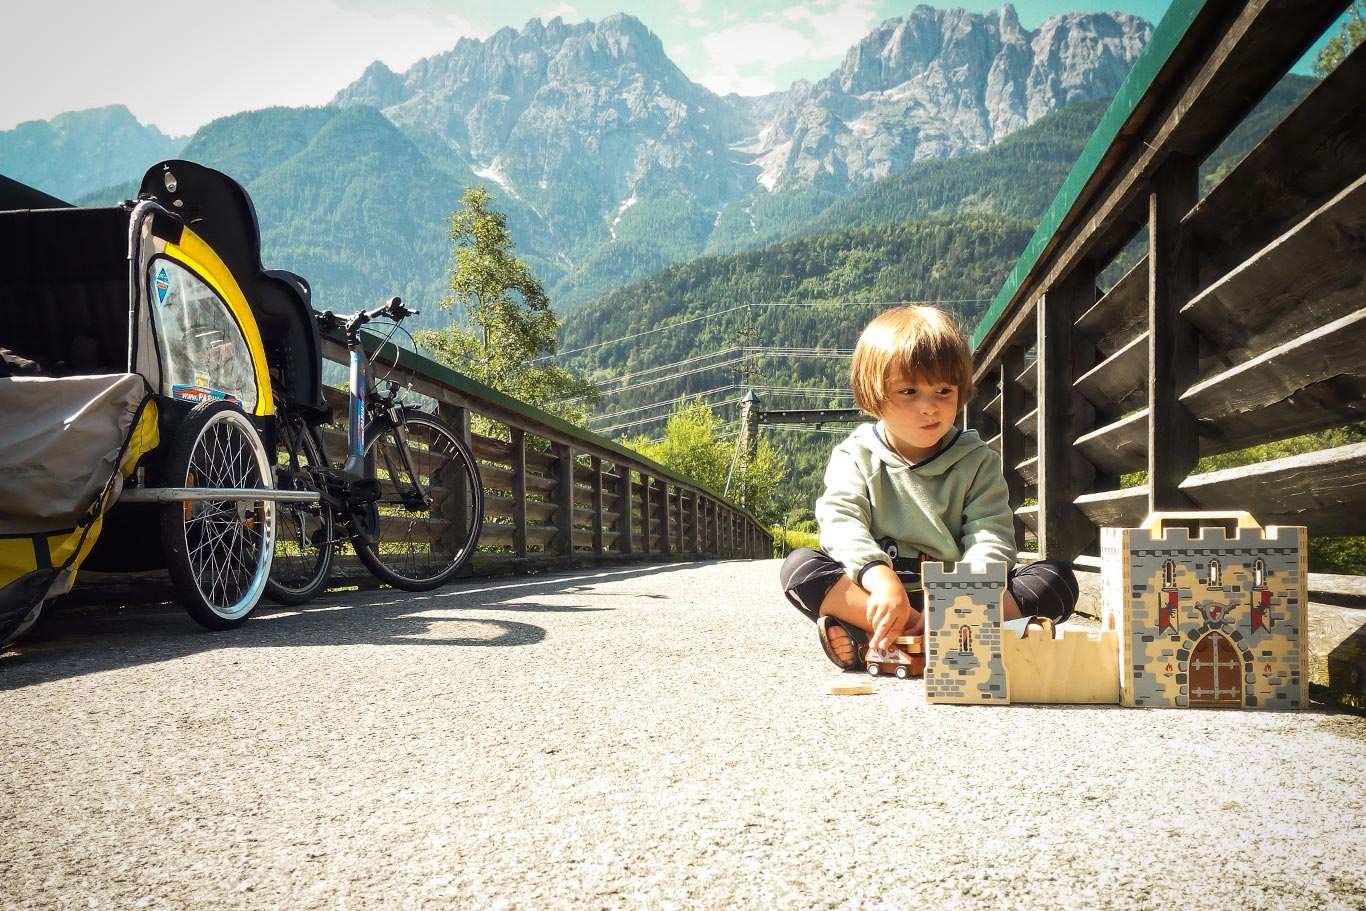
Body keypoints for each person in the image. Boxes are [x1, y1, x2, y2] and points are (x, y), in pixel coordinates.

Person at [779, 306, 1077, 671]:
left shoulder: (977, 461)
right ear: (874, 393)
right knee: (801, 569)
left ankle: (880, 640)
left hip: (959, 598)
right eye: (909, 391)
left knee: (1055, 579)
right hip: (881, 594)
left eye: (943, 390)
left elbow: (991, 537)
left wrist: (960, 601)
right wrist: (880, 577)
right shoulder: (855, 456)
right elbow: (842, 524)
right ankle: (962, 637)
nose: (929, 407)